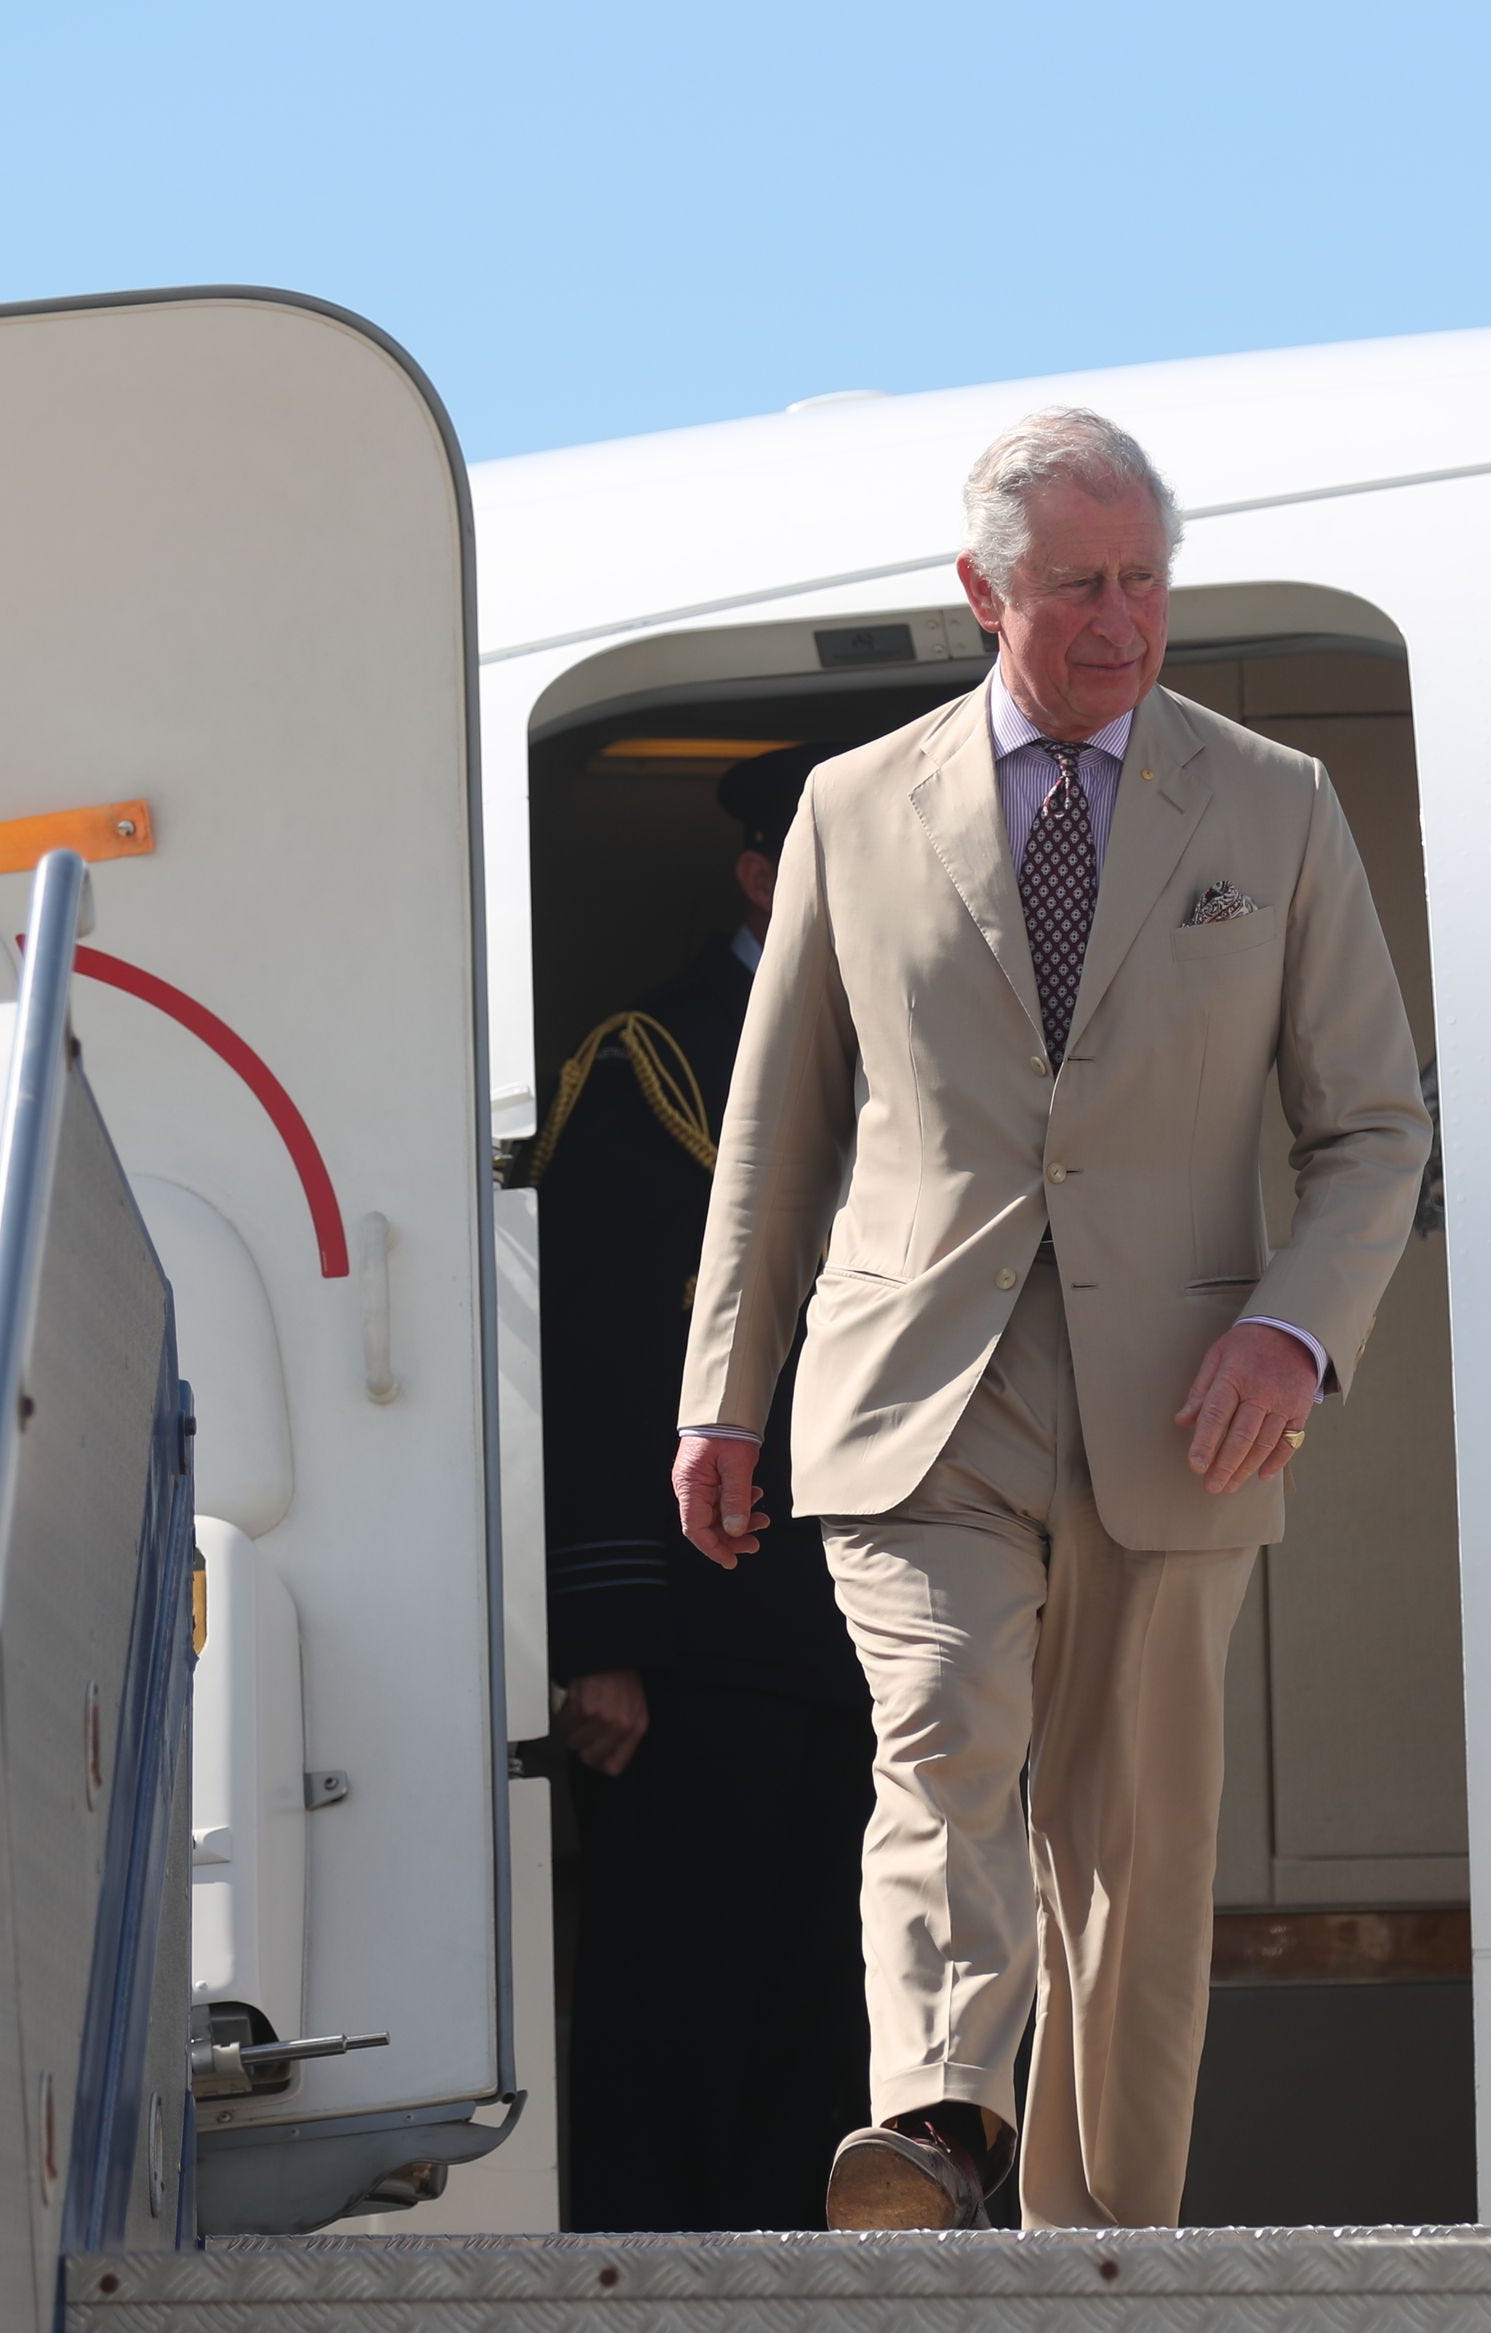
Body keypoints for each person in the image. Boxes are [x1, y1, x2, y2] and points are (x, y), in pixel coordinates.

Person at [669, 410, 1431, 2230]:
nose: (1120, 619)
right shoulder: (854, 808)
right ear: (982, 592)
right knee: (940, 1740)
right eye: (1078, 583)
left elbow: (1375, 1129)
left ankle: (1101, 2250)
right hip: (920, 1391)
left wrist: (1294, 1332)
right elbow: (777, 1134)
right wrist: (723, 1395)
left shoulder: (1275, 801)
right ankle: (939, 2124)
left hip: (1183, 1404)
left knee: (1134, 1858)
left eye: (1145, 578)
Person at [535, 742, 875, 2232]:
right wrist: (605, 1630)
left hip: (863, 1613)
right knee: (681, 2000)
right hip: (696, 1628)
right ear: (757, 875)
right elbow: (601, 1348)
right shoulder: (656, 1057)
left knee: (835, 2002)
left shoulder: (917, 1042)